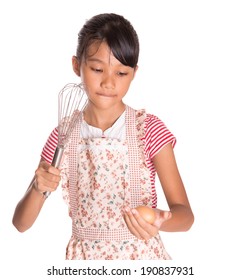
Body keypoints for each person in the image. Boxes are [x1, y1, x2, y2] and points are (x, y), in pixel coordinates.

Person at [12, 13, 194, 260]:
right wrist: (37, 187)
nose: (109, 83)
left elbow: (185, 217)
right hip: (85, 263)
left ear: (134, 73)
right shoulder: (62, 138)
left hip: (142, 261)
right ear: (77, 65)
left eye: (121, 73)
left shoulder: (149, 130)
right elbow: (21, 223)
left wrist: (160, 221)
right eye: (97, 69)